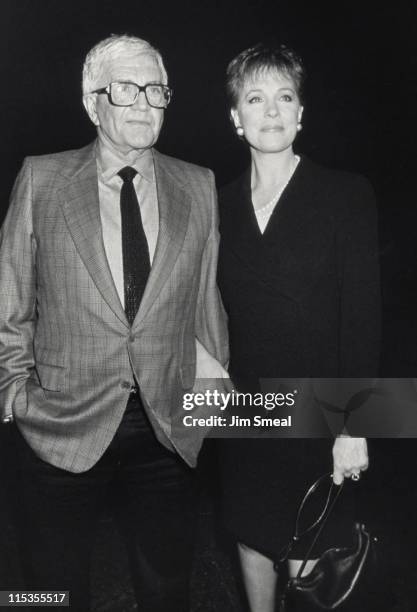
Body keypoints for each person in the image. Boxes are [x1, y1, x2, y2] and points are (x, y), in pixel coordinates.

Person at [0, 34, 228, 611]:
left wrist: (209, 399)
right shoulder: (42, 179)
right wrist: (14, 396)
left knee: (166, 587)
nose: (144, 102)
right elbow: (10, 299)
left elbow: (206, 303)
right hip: (60, 419)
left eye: (156, 89)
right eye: (126, 88)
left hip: (166, 427)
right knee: (48, 588)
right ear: (90, 101)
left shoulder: (197, 185)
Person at [217, 43, 380, 612]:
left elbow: (362, 321)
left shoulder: (346, 195)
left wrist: (354, 428)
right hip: (243, 412)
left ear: (301, 113)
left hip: (318, 414)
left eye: (285, 97)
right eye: (255, 98)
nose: (271, 110)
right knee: (251, 537)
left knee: (310, 566)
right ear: (235, 117)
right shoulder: (216, 207)